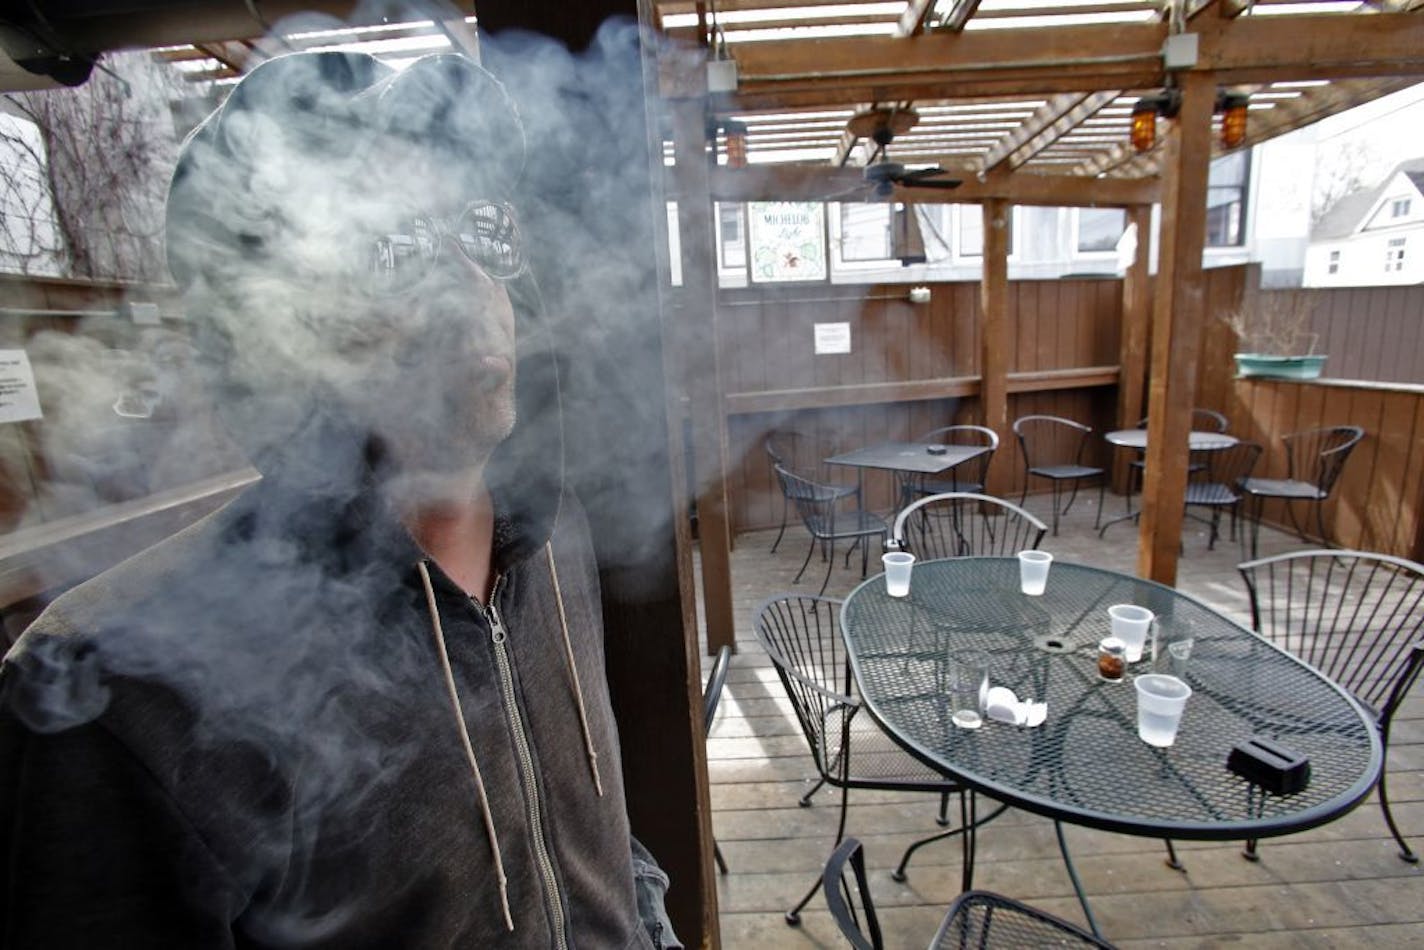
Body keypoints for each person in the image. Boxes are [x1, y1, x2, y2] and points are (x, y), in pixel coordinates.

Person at [0, 50, 680, 948]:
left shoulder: (555, 541)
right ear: (269, 328)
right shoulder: (113, 691)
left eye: (477, 228)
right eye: (389, 247)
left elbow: (594, 836)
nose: (466, 287)